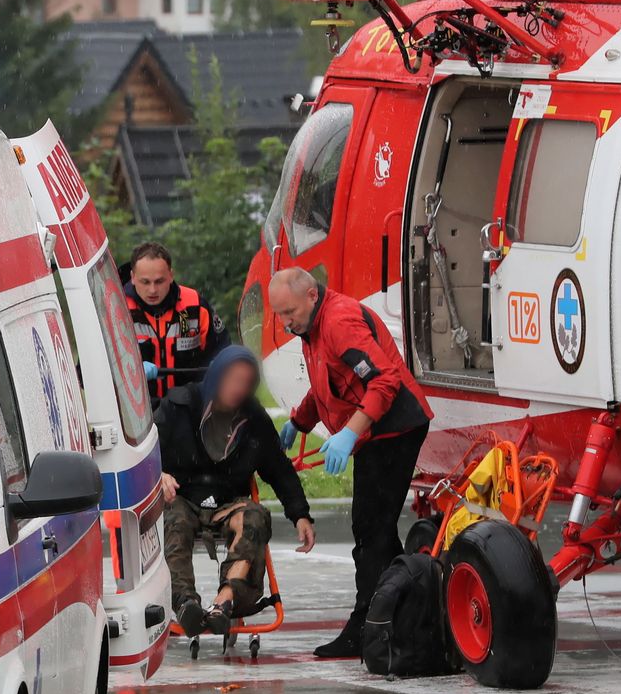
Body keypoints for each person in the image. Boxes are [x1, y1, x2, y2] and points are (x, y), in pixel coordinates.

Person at [268, 268, 432, 659]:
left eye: (289, 311)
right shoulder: (311, 327)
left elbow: (385, 381)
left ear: (311, 295)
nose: (285, 322)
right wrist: (298, 421)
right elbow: (327, 382)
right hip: (374, 433)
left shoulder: (339, 321)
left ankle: (367, 627)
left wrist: (350, 432)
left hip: (395, 429)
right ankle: (402, 613)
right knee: (376, 531)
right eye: (279, 315)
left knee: (370, 530)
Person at [155, 345, 315, 638]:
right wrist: (158, 474)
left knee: (255, 516)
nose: (238, 388)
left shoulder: (254, 420)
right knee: (173, 518)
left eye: (246, 382)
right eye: (232, 379)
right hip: (180, 498)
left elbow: (279, 470)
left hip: (228, 503)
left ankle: (225, 601)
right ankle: (184, 601)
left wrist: (300, 515)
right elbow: (145, 450)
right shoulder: (179, 406)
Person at [123, 241, 228, 402]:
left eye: (159, 281)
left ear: (171, 276)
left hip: (189, 409)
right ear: (132, 278)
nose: (152, 290)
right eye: (145, 282)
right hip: (137, 413)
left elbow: (224, 351)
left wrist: (220, 365)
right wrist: (128, 371)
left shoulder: (195, 305)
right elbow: (88, 372)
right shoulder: (117, 311)